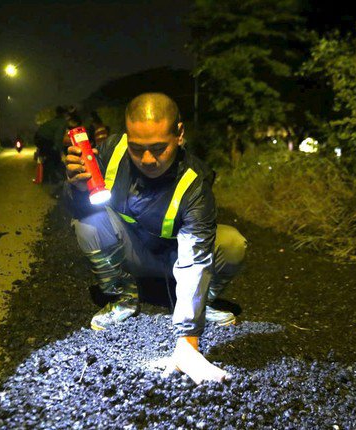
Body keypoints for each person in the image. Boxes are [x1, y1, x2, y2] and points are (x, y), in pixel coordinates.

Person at [65, 92, 247, 384]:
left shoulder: (195, 182)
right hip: (132, 253)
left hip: (177, 259)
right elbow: (80, 211)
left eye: (159, 148)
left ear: (179, 135)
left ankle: (203, 303)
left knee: (232, 243)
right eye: (137, 149)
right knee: (88, 224)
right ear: (126, 136)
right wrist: (75, 187)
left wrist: (188, 341)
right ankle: (124, 297)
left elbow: (196, 257)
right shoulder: (108, 152)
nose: (148, 159)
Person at [34, 105, 70, 183]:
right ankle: (53, 179)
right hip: (43, 139)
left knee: (51, 157)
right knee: (54, 157)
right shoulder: (62, 122)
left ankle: (47, 178)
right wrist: (58, 150)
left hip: (39, 138)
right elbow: (58, 137)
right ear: (65, 115)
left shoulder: (57, 120)